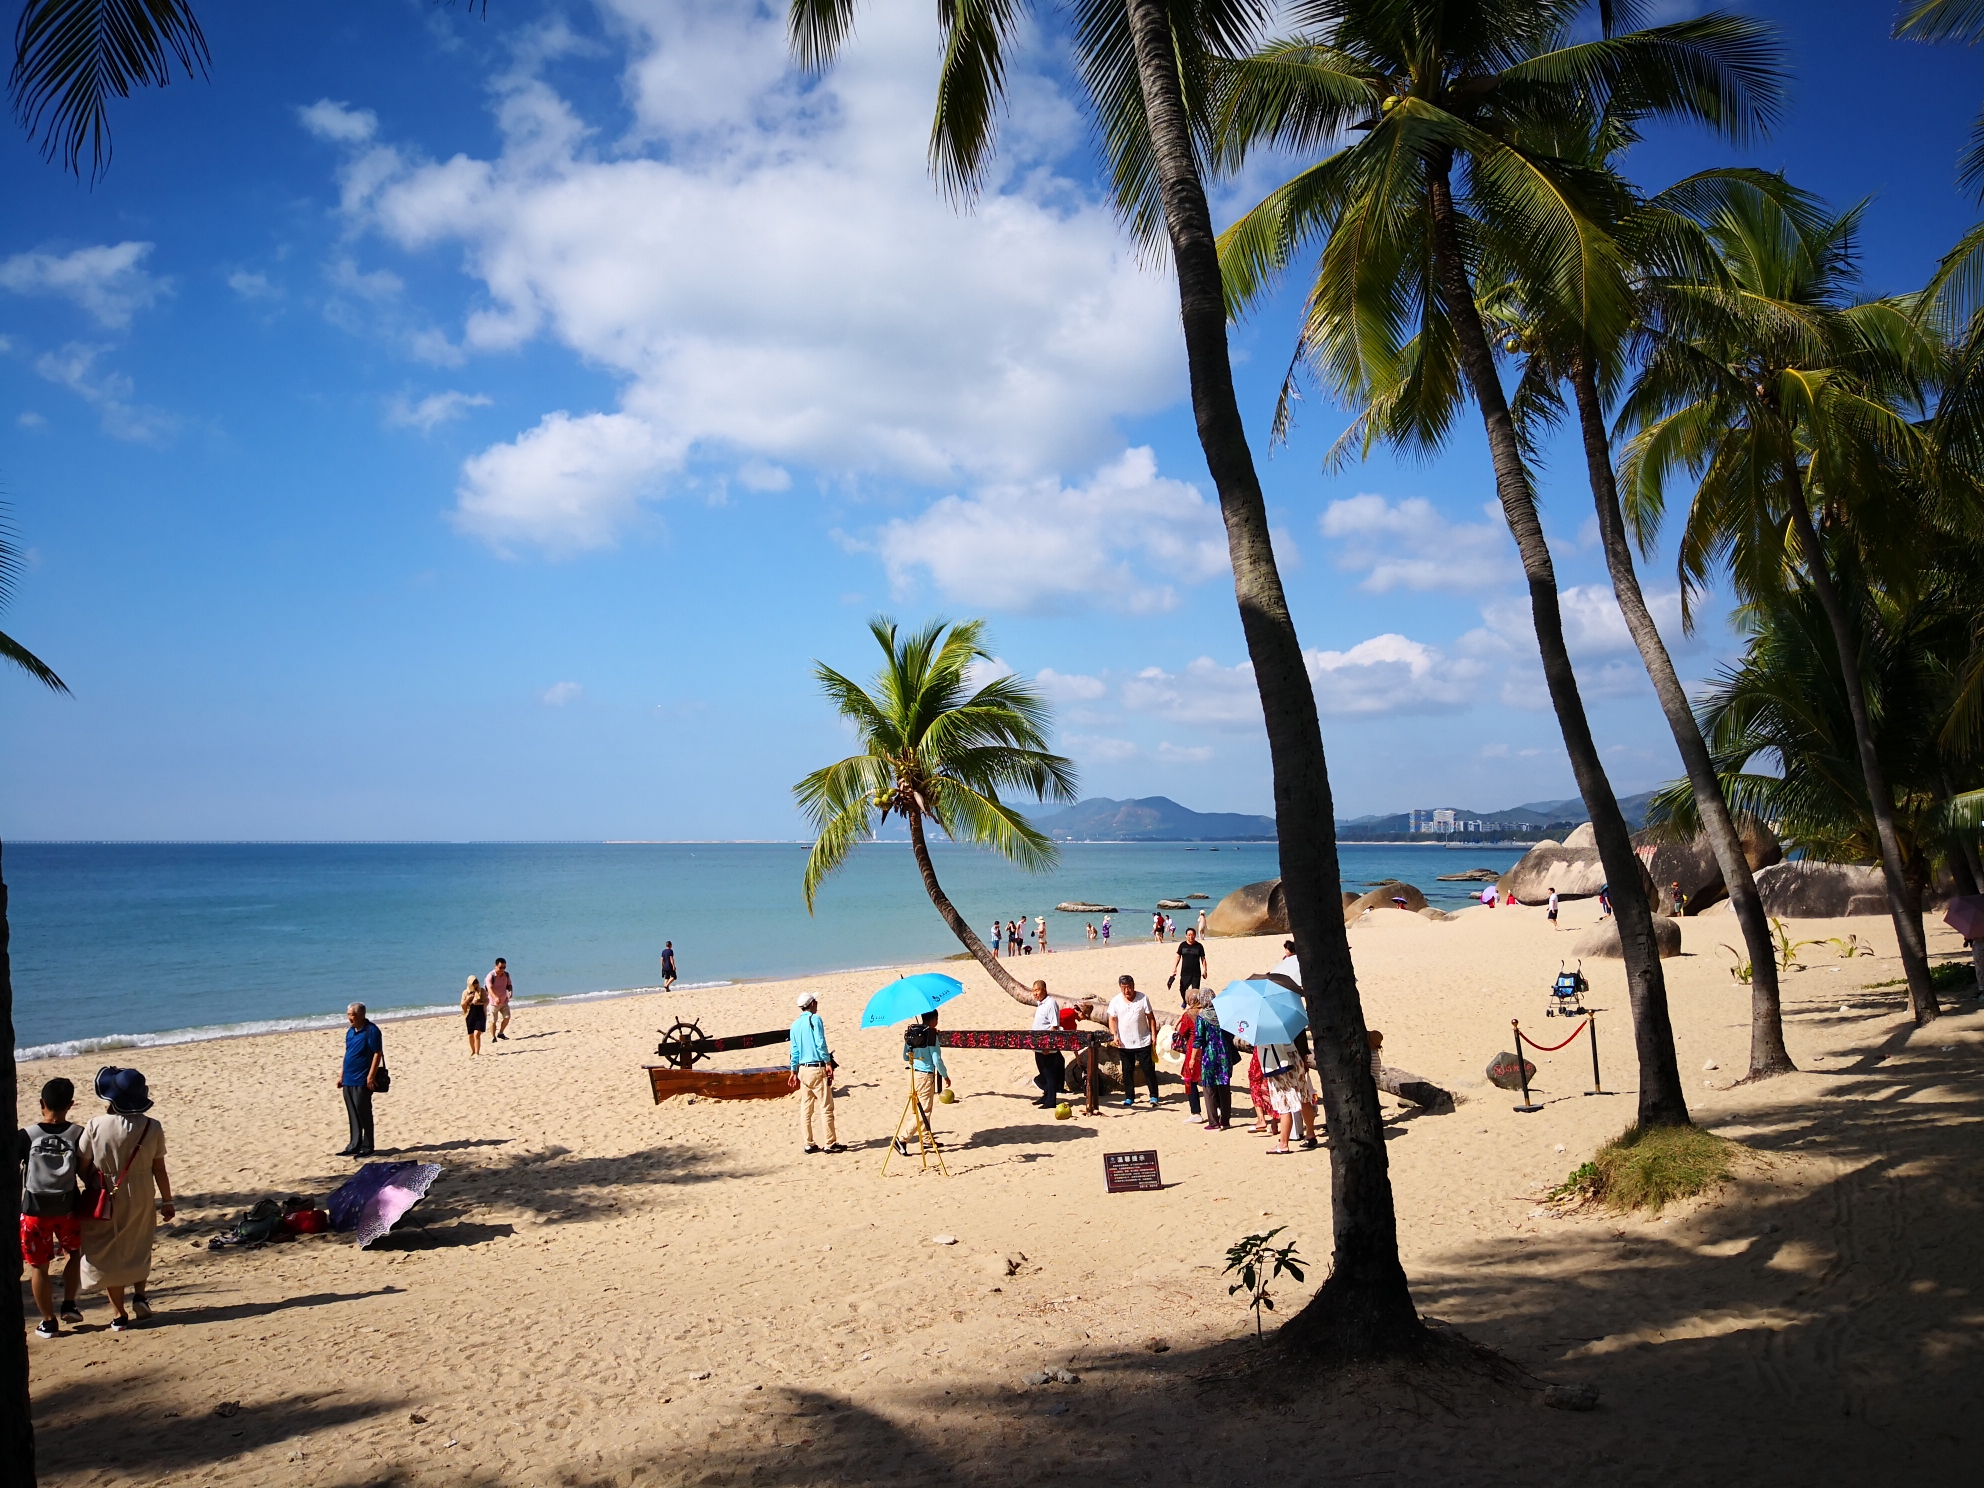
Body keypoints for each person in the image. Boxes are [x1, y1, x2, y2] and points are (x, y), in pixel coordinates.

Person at [78, 1067, 173, 1332]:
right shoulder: (152, 1126)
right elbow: (159, 1169)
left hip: (107, 1190)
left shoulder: (96, 1125)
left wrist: (92, 1181)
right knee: (139, 1243)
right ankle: (140, 1296)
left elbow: (83, 1161)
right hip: (142, 1189)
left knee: (109, 1248)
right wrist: (167, 1200)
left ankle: (119, 1313)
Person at [19, 1077, 85, 1337]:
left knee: (38, 1267)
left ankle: (48, 1321)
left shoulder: (26, 1135)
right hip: (68, 1209)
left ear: (41, 1103)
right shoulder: (78, 1134)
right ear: (70, 1104)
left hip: (34, 1211)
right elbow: (86, 1171)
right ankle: (69, 1303)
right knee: (73, 1254)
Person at [789, 993, 843, 1154]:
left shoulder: (795, 1025)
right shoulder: (815, 1019)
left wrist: (793, 1070)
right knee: (826, 1106)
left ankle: (808, 1143)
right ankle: (830, 1143)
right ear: (812, 1004)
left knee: (806, 1108)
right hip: (816, 1068)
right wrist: (828, 1063)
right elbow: (820, 1043)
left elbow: (794, 1051)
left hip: (802, 1070)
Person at [895, 1011, 950, 1156]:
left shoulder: (911, 1032)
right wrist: (945, 1076)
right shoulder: (931, 1035)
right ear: (933, 1020)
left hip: (912, 1073)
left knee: (921, 1108)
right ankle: (902, 1139)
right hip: (925, 1076)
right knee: (924, 1111)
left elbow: (905, 1057)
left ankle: (926, 1139)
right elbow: (936, 1059)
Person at [337, 1002, 383, 1157]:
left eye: (353, 1015)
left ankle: (368, 1145)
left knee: (363, 1112)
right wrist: (341, 1075)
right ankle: (354, 1144)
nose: (350, 1018)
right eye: (349, 1014)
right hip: (348, 1079)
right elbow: (347, 1053)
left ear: (361, 1015)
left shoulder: (372, 1031)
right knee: (352, 1113)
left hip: (362, 1079)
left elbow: (377, 1053)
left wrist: (370, 1076)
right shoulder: (350, 1031)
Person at [1108, 975, 1160, 1108]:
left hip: (1143, 1041)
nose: (1127, 991)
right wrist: (1114, 1035)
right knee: (1127, 1070)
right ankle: (1129, 1096)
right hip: (1124, 1043)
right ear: (1120, 987)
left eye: (1129, 987)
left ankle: (1154, 1095)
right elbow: (1112, 1019)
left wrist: (1153, 1034)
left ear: (1133, 986)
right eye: (1124, 988)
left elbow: (1151, 1018)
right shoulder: (1115, 1001)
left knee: (1148, 1069)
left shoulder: (1143, 998)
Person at [1259, 1038, 1313, 1154]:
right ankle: (1310, 1134)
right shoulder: (1285, 1021)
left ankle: (1283, 1143)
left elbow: (1265, 1044)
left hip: (1279, 1062)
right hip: (1294, 1055)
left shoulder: (1266, 1027)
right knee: (1303, 1097)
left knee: (1283, 1103)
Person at [1191, 999, 1235, 1129]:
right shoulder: (1223, 1015)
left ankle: (1214, 1122)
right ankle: (1225, 1120)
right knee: (1224, 1087)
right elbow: (1231, 1034)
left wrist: (1192, 1058)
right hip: (1224, 1054)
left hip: (1209, 1055)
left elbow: (1198, 1039)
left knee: (1209, 1088)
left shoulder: (1202, 1017)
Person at [1030, 981, 1066, 1108]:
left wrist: (1048, 1045)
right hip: (1038, 1045)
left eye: (1037, 990)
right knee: (1043, 1071)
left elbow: (1054, 1026)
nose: (1035, 993)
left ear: (1044, 989)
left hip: (1047, 1046)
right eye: (1033, 990)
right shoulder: (1040, 1004)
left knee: (1049, 1073)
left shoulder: (1051, 1003)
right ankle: (1046, 1096)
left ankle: (1051, 1100)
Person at [1172, 991, 1205, 1121]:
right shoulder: (1207, 1012)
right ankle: (1217, 1108)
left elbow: (1182, 1032)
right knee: (1209, 1080)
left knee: (1190, 1080)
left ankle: (1195, 1112)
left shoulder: (1188, 1015)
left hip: (1193, 1049)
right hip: (1207, 1047)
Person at [1172, 928, 1208, 1001]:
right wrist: (1175, 968)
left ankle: (1193, 1005)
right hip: (1185, 972)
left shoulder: (1199, 946)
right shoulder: (1182, 945)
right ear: (1186, 936)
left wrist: (1205, 970)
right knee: (1182, 989)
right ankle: (1185, 1001)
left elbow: (1203, 959)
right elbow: (1178, 957)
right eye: (1189, 935)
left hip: (1196, 973)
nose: (1190, 936)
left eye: (1192, 935)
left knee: (1195, 992)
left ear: (1195, 935)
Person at [462, 975, 490, 1055]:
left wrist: (480, 1003)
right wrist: (468, 1000)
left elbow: (487, 1001)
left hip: (480, 1014)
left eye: (476, 982)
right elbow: (463, 1005)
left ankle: (477, 1053)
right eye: (473, 983)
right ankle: (473, 1051)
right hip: (470, 1015)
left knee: (477, 1034)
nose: (475, 985)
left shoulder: (482, 991)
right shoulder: (465, 993)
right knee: (471, 1035)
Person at [488, 957, 514, 1041]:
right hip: (493, 1003)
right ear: (495, 966)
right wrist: (495, 997)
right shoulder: (490, 976)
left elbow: (509, 985)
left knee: (507, 1017)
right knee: (493, 1021)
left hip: (504, 1001)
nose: (502, 969)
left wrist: (510, 991)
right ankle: (493, 1037)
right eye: (500, 967)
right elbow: (489, 989)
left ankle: (501, 1033)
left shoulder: (506, 975)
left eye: (504, 967)